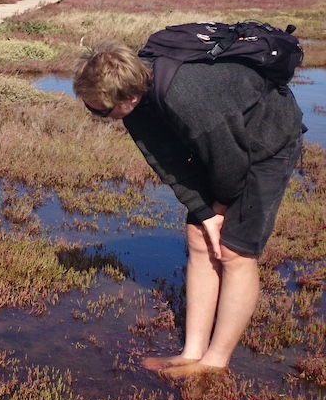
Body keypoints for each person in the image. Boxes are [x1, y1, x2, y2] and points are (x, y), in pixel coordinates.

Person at [74, 42, 303, 378]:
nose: (97, 116)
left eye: (100, 111)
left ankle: (214, 362)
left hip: (266, 143)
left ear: (128, 99)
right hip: (224, 144)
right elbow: (168, 160)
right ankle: (192, 352)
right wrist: (204, 213)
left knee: (235, 252)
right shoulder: (139, 101)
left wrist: (220, 209)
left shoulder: (187, 99)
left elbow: (231, 166)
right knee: (199, 238)